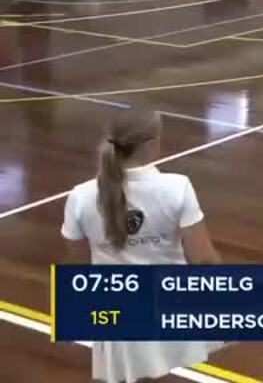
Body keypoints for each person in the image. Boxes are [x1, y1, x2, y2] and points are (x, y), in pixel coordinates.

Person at [61, 109, 223, 383]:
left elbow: (76, 268)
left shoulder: (80, 197)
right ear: (151, 145)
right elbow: (203, 258)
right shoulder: (177, 187)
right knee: (160, 371)